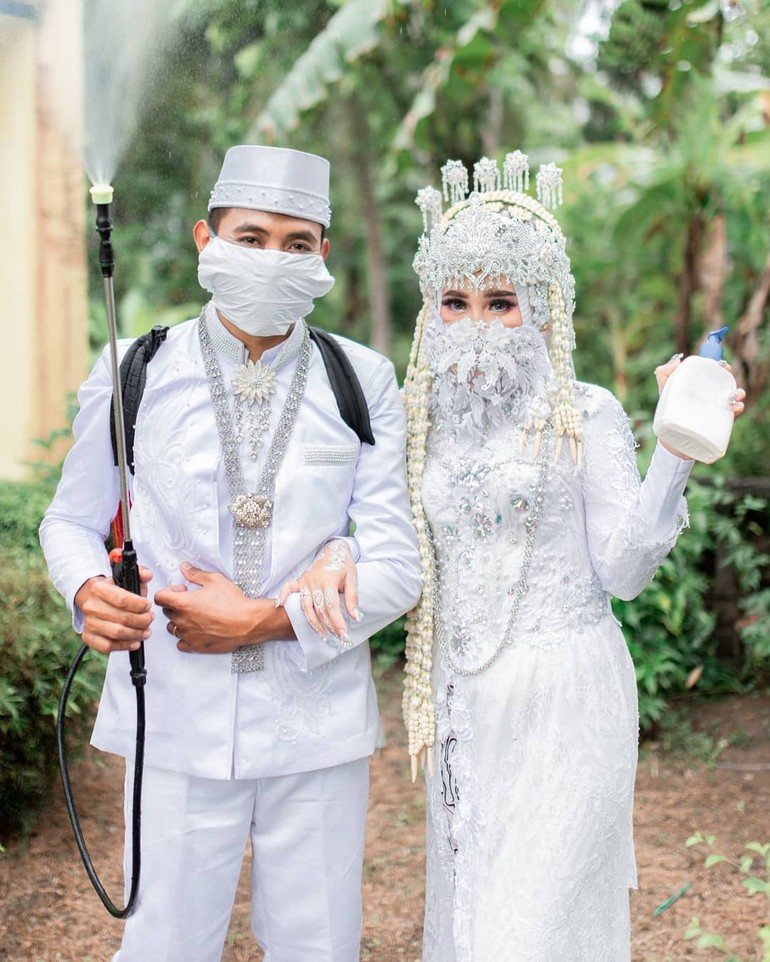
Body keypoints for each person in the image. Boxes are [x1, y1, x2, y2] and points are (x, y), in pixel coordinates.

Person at [40, 144, 421, 962]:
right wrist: (84, 591)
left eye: (296, 242)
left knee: (318, 947)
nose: (272, 257)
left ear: (325, 254)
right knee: (163, 947)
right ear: (203, 240)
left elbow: (397, 566)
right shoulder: (133, 368)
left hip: (315, 727)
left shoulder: (362, 379)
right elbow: (69, 522)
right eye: (250, 236)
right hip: (174, 717)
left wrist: (263, 621)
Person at [400, 153, 746, 961]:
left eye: (501, 301)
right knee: (474, 918)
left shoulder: (583, 414)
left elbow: (623, 570)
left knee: (531, 932)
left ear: (545, 307)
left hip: (566, 700)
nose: (476, 320)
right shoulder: (422, 422)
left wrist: (675, 446)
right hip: (462, 704)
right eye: (455, 301)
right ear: (432, 309)